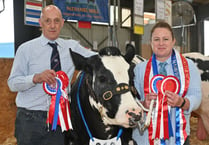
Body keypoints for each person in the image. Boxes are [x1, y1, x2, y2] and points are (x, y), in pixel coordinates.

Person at [7, 5, 96, 145]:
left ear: (62, 23)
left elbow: (98, 59)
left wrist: (128, 61)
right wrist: (36, 78)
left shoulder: (72, 47)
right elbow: (12, 83)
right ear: (40, 23)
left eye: (56, 21)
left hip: (59, 121)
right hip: (29, 120)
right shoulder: (25, 49)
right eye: (48, 21)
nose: (52, 25)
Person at [132, 21, 202, 145]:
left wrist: (182, 102)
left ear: (173, 41)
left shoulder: (188, 66)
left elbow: (197, 96)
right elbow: (132, 102)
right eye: (156, 39)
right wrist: (144, 104)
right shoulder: (139, 69)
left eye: (165, 39)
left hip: (178, 137)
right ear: (151, 42)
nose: (161, 43)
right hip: (146, 139)